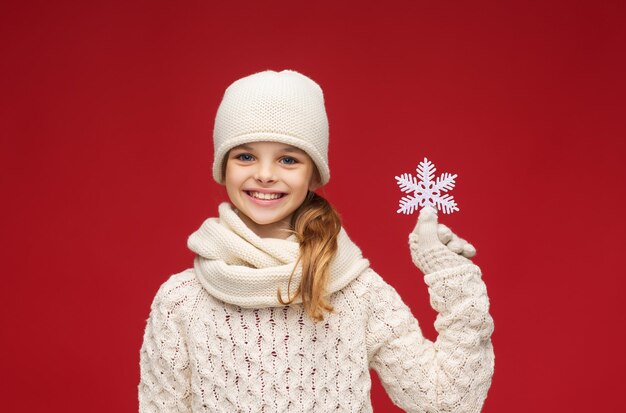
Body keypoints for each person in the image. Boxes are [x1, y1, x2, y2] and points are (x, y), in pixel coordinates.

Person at [138, 70, 495, 413]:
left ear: (313, 172)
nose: (264, 174)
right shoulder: (180, 301)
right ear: (223, 167)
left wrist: (451, 277)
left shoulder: (356, 293)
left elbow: (447, 403)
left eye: (288, 159)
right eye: (245, 156)